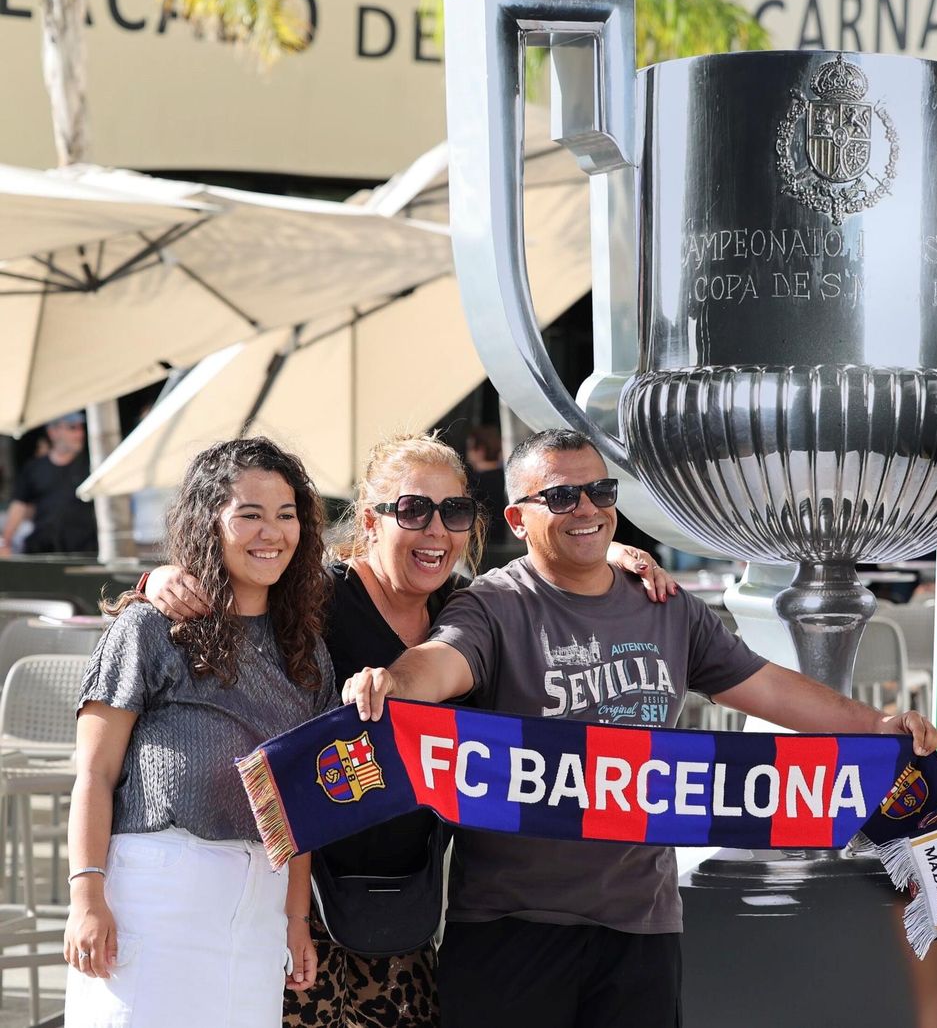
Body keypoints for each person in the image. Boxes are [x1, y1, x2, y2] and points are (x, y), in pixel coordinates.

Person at [342, 428, 937, 1028]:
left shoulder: (667, 605)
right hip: (511, 928)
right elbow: (443, 659)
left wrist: (879, 725)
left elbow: (768, 687)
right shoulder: (493, 604)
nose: (586, 509)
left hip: (641, 927)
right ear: (517, 519)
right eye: (560, 497)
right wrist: (395, 684)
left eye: (600, 491)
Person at [140, 432, 675, 1028]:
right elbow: (237, 579)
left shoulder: (469, 608)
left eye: (454, 512)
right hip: (300, 900)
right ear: (372, 521)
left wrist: (619, 558)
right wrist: (160, 578)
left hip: (408, 907)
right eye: (414, 510)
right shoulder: (315, 597)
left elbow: (553, 589)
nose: (436, 530)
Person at [64, 438, 337, 1028]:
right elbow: (93, 771)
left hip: (260, 906)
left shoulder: (307, 650)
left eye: (287, 515)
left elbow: (301, 801)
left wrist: (295, 921)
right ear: (207, 523)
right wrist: (86, 895)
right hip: (156, 894)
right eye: (250, 515)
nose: (273, 533)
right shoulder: (150, 627)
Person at [0, 411, 96, 555]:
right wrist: (5, 542)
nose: (79, 434)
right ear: (53, 432)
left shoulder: (92, 466)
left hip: (85, 551)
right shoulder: (35, 468)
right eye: (72, 428)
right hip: (44, 551)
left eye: (80, 428)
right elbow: (19, 505)